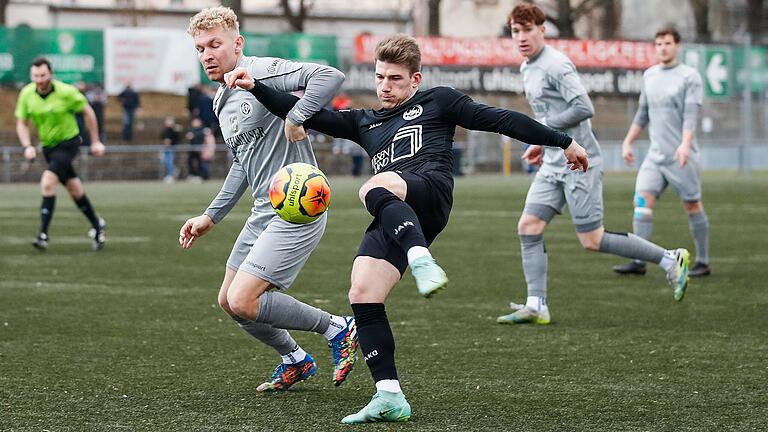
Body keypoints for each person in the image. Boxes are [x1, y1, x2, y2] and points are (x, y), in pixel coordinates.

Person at [225, 33, 588, 423]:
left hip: (429, 192)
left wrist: (562, 141)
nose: (385, 86)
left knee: (373, 186)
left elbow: (500, 119)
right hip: (395, 212)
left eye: (395, 79)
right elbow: (311, 115)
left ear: (415, 80)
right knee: (362, 291)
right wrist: (256, 86)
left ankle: (421, 258)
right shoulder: (364, 122)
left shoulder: (439, 101)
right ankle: (389, 396)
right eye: (380, 77)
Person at [177, 6, 357, 394]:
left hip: (299, 206)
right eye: (200, 48)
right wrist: (211, 216)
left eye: (215, 44)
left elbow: (330, 76)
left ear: (237, 43)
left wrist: (297, 117)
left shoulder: (261, 70)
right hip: (263, 210)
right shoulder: (219, 101)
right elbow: (243, 164)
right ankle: (295, 360)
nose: (207, 54)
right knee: (228, 300)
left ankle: (339, 327)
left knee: (244, 300)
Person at [496, 5, 691, 326]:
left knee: (593, 240)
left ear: (542, 29)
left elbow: (583, 107)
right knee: (528, 226)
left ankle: (670, 259)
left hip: (580, 163)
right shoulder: (526, 68)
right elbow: (550, 116)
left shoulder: (556, 65)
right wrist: (541, 143)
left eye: (527, 29)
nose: (521, 37)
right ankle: (536, 305)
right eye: (515, 31)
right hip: (553, 163)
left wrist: (542, 133)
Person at [613, 26, 711, 278]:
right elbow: (642, 114)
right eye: (658, 44)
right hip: (655, 157)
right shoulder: (649, 76)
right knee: (641, 203)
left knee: (692, 205)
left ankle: (703, 261)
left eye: (667, 43)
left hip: (681, 156)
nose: (662, 48)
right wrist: (628, 141)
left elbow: (691, 116)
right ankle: (639, 260)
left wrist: (685, 143)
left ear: (677, 46)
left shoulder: (690, 76)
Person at [15, 57, 107, 251]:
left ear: (50, 74)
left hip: (69, 143)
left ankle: (43, 235)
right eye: (35, 76)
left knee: (48, 181)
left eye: (43, 75)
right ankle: (98, 225)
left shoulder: (66, 92)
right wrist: (27, 146)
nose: (39, 80)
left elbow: (88, 112)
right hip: (48, 148)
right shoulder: (27, 94)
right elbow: (21, 122)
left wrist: (96, 140)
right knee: (75, 190)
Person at [160, 116, 180, 183]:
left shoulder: (174, 131)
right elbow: (163, 139)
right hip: (166, 148)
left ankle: (171, 175)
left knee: (170, 162)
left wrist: (170, 142)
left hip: (171, 148)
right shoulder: (164, 130)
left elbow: (175, 139)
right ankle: (172, 172)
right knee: (166, 162)